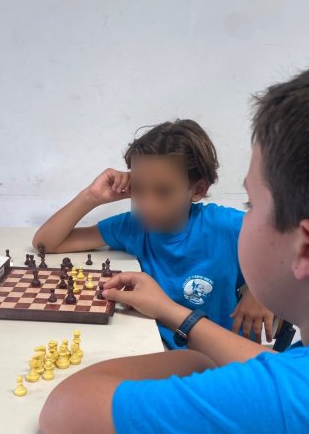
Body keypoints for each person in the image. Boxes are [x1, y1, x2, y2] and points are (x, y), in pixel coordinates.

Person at [38, 58, 309, 434]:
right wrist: (94, 194)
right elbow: (48, 242)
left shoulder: (286, 402)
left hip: (206, 394)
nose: (241, 218)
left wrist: (207, 319)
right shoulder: (299, 375)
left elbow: (65, 410)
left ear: (305, 246)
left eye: (253, 205)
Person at [32, 120, 274, 346]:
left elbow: (285, 246)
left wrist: (260, 294)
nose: (146, 205)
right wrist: (91, 196)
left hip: (219, 354)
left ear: (198, 189)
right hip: (153, 348)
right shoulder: (132, 226)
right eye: (138, 189)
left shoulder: (226, 226)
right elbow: (46, 243)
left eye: (163, 191)